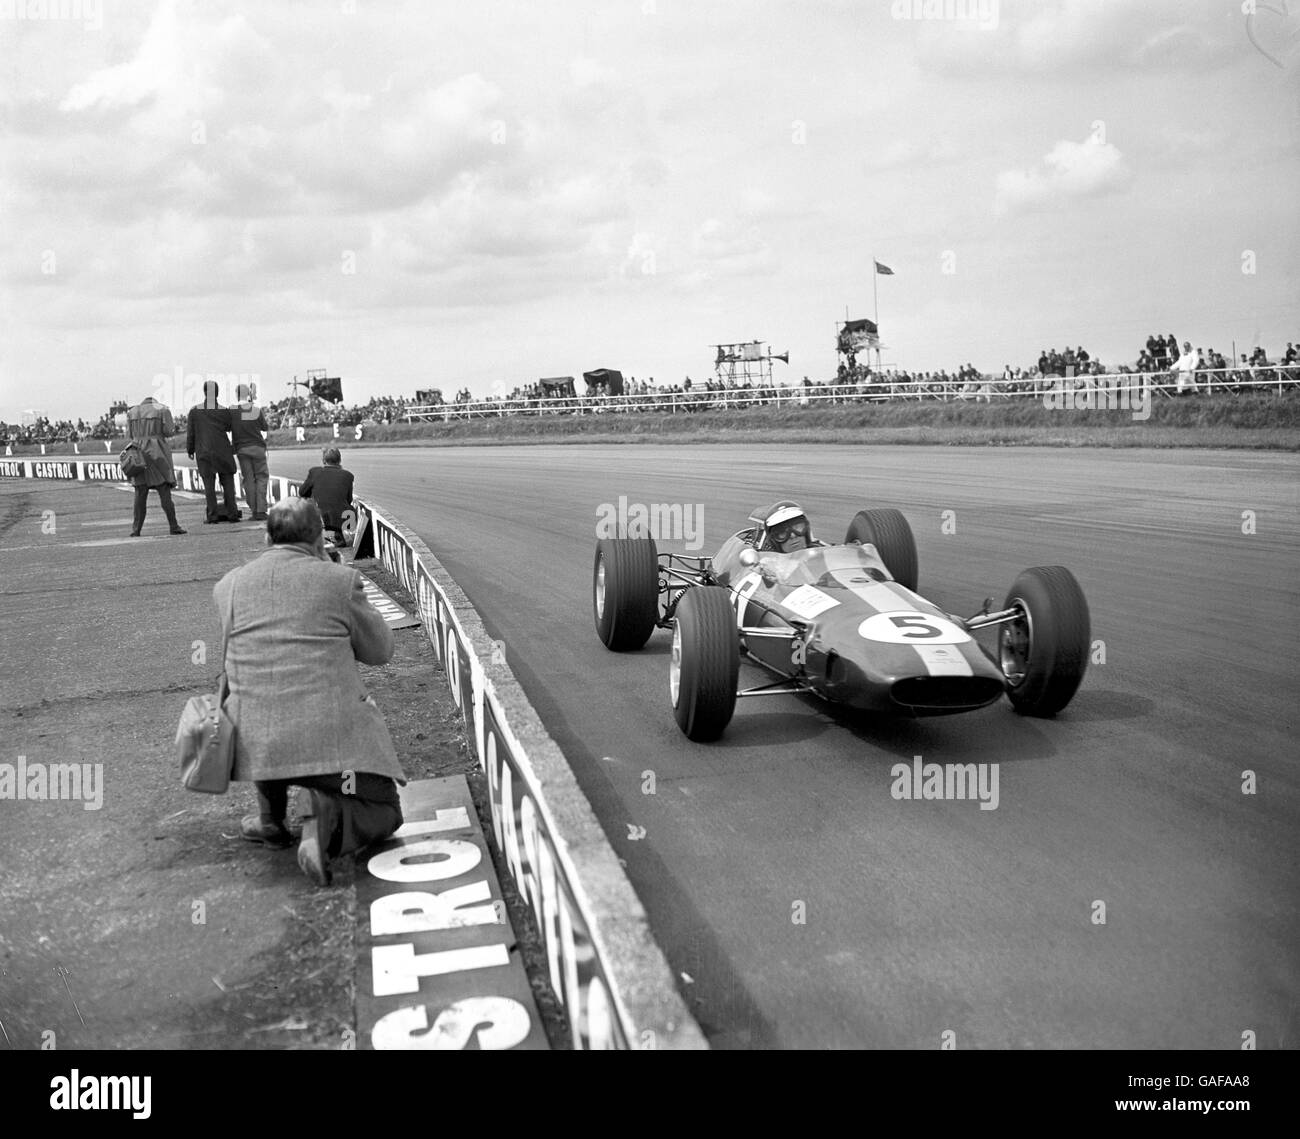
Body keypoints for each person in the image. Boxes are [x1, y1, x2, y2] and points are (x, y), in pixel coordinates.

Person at [214, 497, 405, 886]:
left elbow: (235, 665)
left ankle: (271, 821)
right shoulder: (338, 581)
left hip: (259, 747)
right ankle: (326, 817)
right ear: (319, 539)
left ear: (267, 537)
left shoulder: (228, 586)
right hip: (331, 745)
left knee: (259, 693)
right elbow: (381, 651)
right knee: (387, 811)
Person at [125, 395, 186, 536]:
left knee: (140, 493)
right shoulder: (162, 410)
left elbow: (129, 434)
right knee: (164, 490)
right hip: (158, 453)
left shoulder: (132, 412)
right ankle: (174, 526)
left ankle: (136, 530)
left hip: (137, 453)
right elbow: (169, 432)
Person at [186, 380, 241, 523]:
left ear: (204, 392)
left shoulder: (194, 411)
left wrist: (190, 449)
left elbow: (191, 434)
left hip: (204, 453)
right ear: (217, 393)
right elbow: (230, 428)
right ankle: (233, 514)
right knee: (228, 484)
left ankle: (212, 516)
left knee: (209, 486)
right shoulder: (224, 411)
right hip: (223, 451)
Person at [300, 446, 355, 546]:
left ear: (323, 460)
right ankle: (342, 534)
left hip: (321, 516)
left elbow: (302, 492)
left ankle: (316, 533)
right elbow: (349, 499)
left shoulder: (315, 472)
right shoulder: (348, 475)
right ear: (339, 460)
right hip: (342, 518)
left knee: (305, 503)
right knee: (349, 508)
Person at [232, 383, 270, 521]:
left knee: (248, 480)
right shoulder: (255, 409)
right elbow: (265, 427)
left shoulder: (232, 411)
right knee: (261, 478)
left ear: (237, 395)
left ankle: (254, 510)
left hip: (242, 449)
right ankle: (261, 510)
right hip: (258, 448)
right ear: (248, 394)